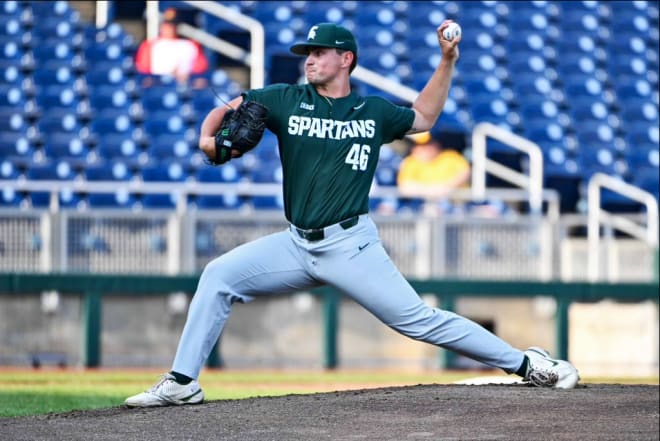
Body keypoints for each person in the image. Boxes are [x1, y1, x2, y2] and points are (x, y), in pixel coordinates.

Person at [125, 21, 579, 408]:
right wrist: (209, 138)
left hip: (350, 244)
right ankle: (182, 383)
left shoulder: (372, 112)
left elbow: (423, 118)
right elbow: (228, 111)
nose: (309, 60)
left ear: (346, 59)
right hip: (296, 243)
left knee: (418, 320)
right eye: (307, 53)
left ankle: (528, 364)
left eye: (319, 53)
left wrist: (447, 61)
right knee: (218, 276)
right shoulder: (284, 98)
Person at [397, 130, 471, 214]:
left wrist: (446, 187)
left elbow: (465, 173)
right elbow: (404, 187)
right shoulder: (411, 162)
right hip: (422, 205)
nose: (421, 148)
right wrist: (432, 190)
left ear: (436, 144)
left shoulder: (450, 157)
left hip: (454, 204)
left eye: (426, 144)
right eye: (418, 145)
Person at [134, 8, 209, 87]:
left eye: (172, 25)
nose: (169, 28)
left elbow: (200, 71)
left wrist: (187, 77)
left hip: (185, 85)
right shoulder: (150, 45)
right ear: (162, 25)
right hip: (158, 86)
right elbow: (143, 71)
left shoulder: (191, 45)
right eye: (167, 24)